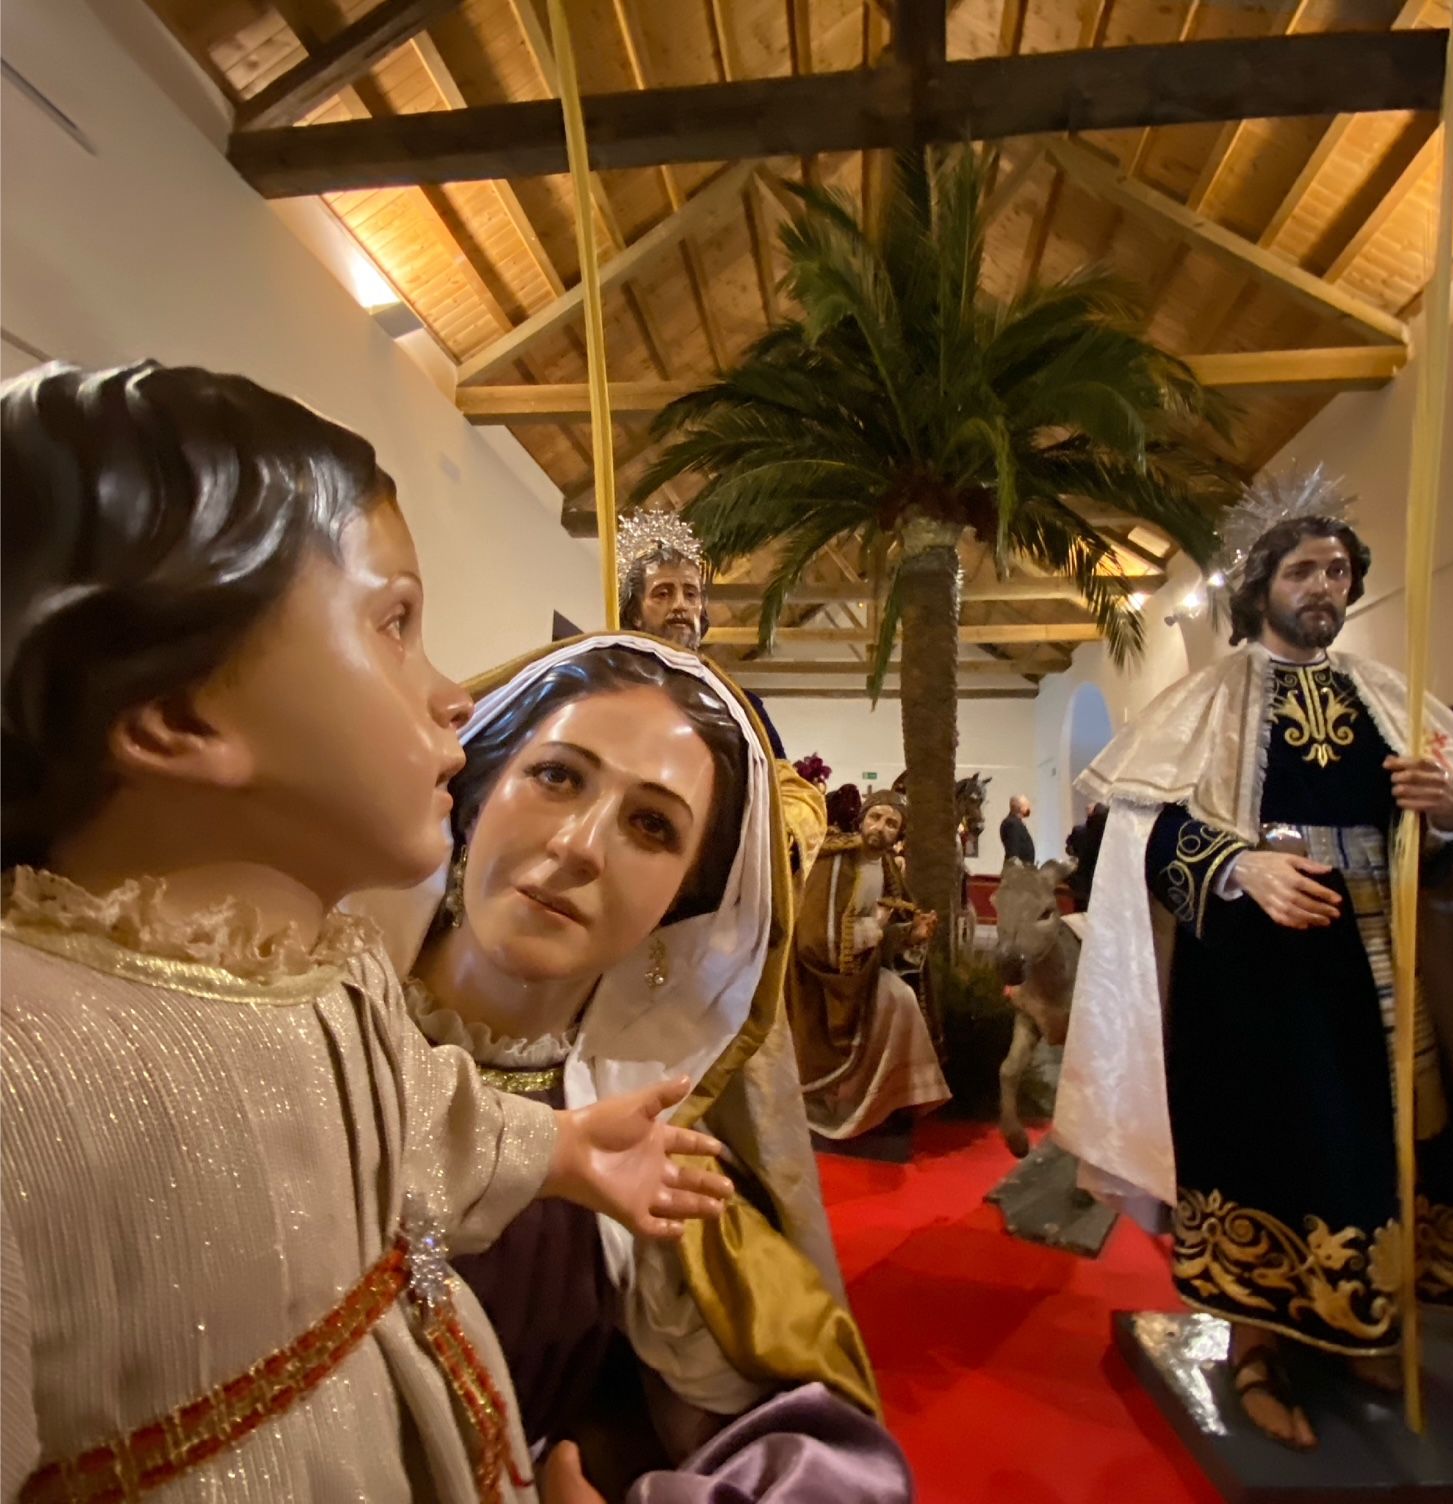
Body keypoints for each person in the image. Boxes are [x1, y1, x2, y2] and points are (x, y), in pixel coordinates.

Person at [0, 362, 732, 1504]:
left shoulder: (326, 977)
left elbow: (409, 1121)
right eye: (396, 623)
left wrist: (564, 1152)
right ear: (181, 716)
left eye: (651, 826)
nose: (457, 698)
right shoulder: (24, 1061)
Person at [383, 637, 910, 1503]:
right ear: (477, 793)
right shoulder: (300, 1024)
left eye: (652, 826)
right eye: (557, 776)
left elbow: (829, 1465)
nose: (581, 845)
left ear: (684, 904)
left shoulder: (647, 1166)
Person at [1056, 502, 1453, 1452]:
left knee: (1376, 1141)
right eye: (1303, 571)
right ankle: (1253, 1345)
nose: (1324, 588)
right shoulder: (1209, 699)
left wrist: (1448, 810)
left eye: (1338, 572)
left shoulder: (1386, 693)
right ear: (1262, 586)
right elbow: (1144, 833)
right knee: (1267, 1144)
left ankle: (1358, 1325)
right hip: (1256, 976)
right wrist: (1239, 866)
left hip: (1379, 959)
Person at [789, 789, 952, 1139]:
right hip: (824, 979)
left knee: (902, 1000)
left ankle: (887, 1100)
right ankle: (846, 1102)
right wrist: (872, 932)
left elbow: (887, 927)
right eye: (876, 817)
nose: (881, 827)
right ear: (862, 820)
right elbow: (815, 937)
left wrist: (911, 933)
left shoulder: (887, 867)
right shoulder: (836, 861)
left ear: (899, 834)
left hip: (863, 970)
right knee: (898, 1001)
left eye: (891, 823)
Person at [617, 513, 788, 762]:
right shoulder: (611, 691)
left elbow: (781, 778)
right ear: (635, 613)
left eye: (690, 594)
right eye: (662, 594)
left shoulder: (740, 707)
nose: (680, 605)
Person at [999, 794, 1036, 866]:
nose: (1029, 807)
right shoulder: (1012, 824)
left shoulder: (1015, 822)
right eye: (1026, 805)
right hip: (1018, 870)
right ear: (1020, 808)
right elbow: (1013, 852)